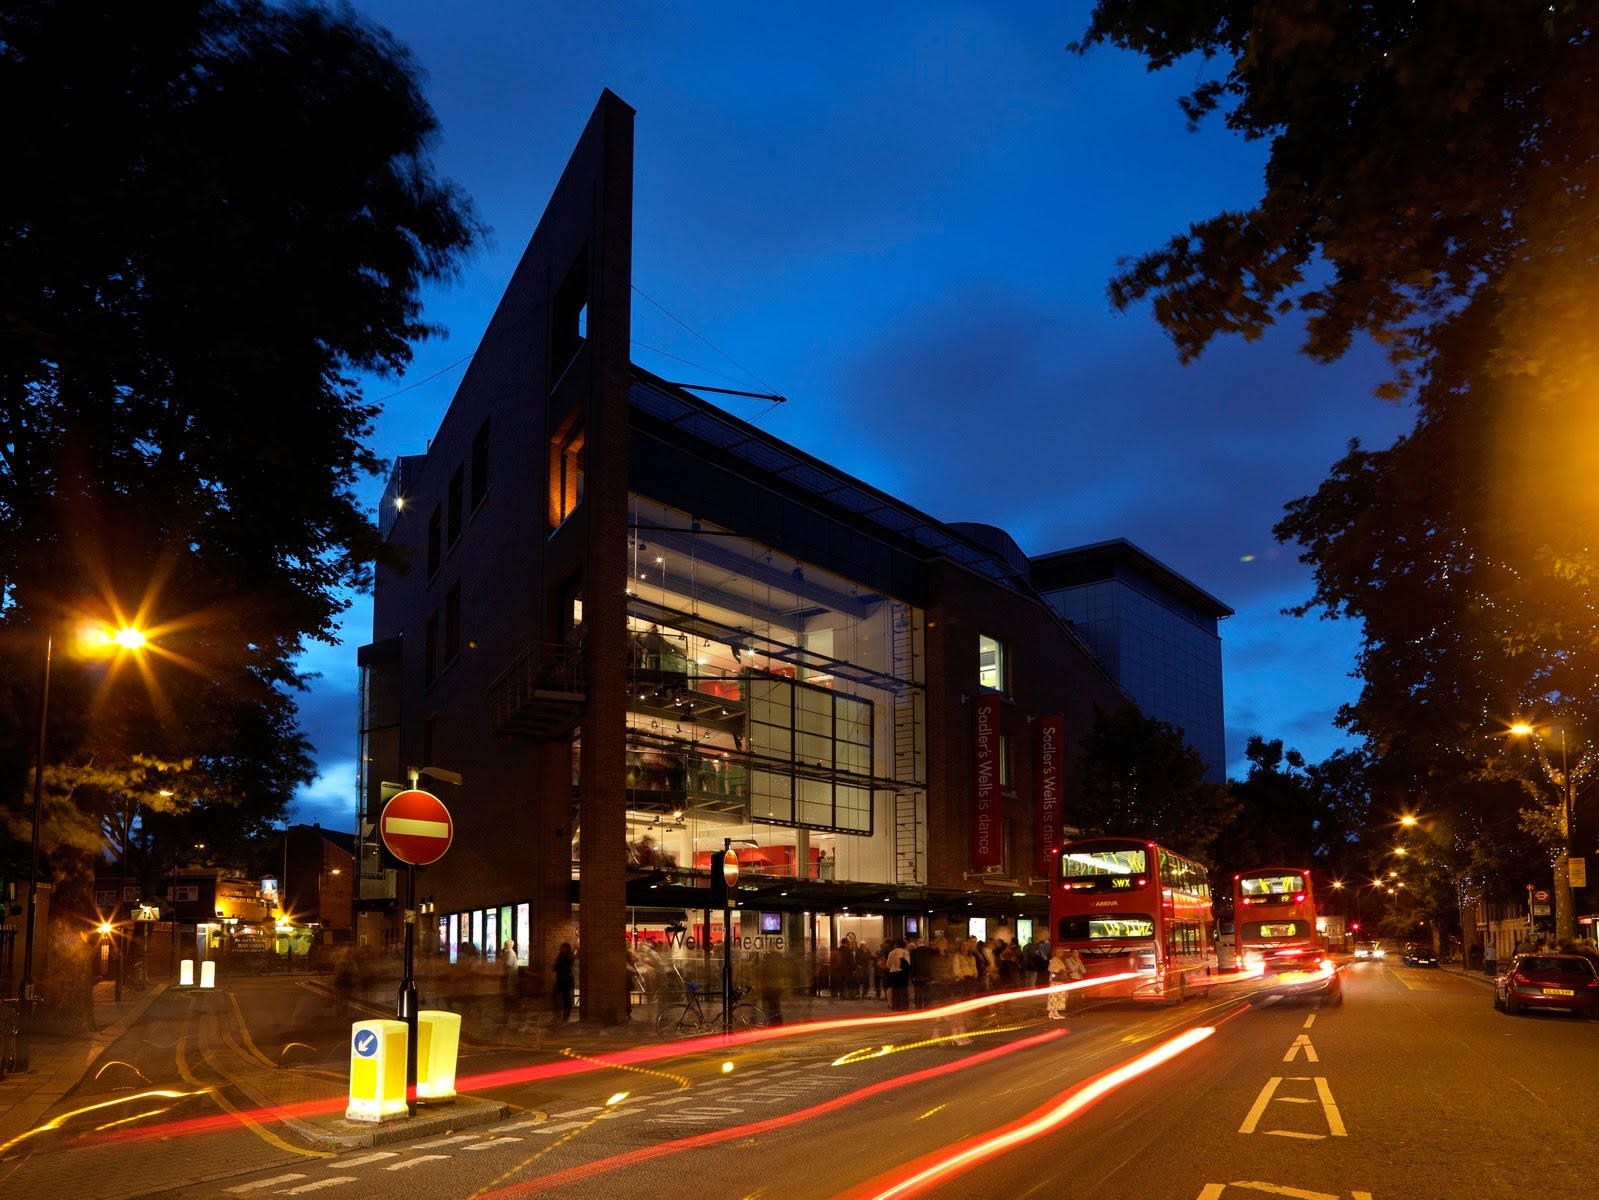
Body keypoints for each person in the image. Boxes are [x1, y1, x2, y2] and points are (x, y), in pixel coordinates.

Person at [552, 941, 576, 1021]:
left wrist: (555, 966)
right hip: (565, 979)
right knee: (564, 998)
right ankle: (564, 1016)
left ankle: (562, 1016)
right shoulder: (569, 956)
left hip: (564, 979)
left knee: (563, 997)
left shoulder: (564, 956)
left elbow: (559, 966)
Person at [887, 938, 912, 1011]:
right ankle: (904, 1006)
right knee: (903, 990)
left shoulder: (891, 953)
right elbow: (908, 963)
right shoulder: (905, 952)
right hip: (903, 973)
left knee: (895, 990)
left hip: (893, 973)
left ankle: (895, 1006)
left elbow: (888, 964)